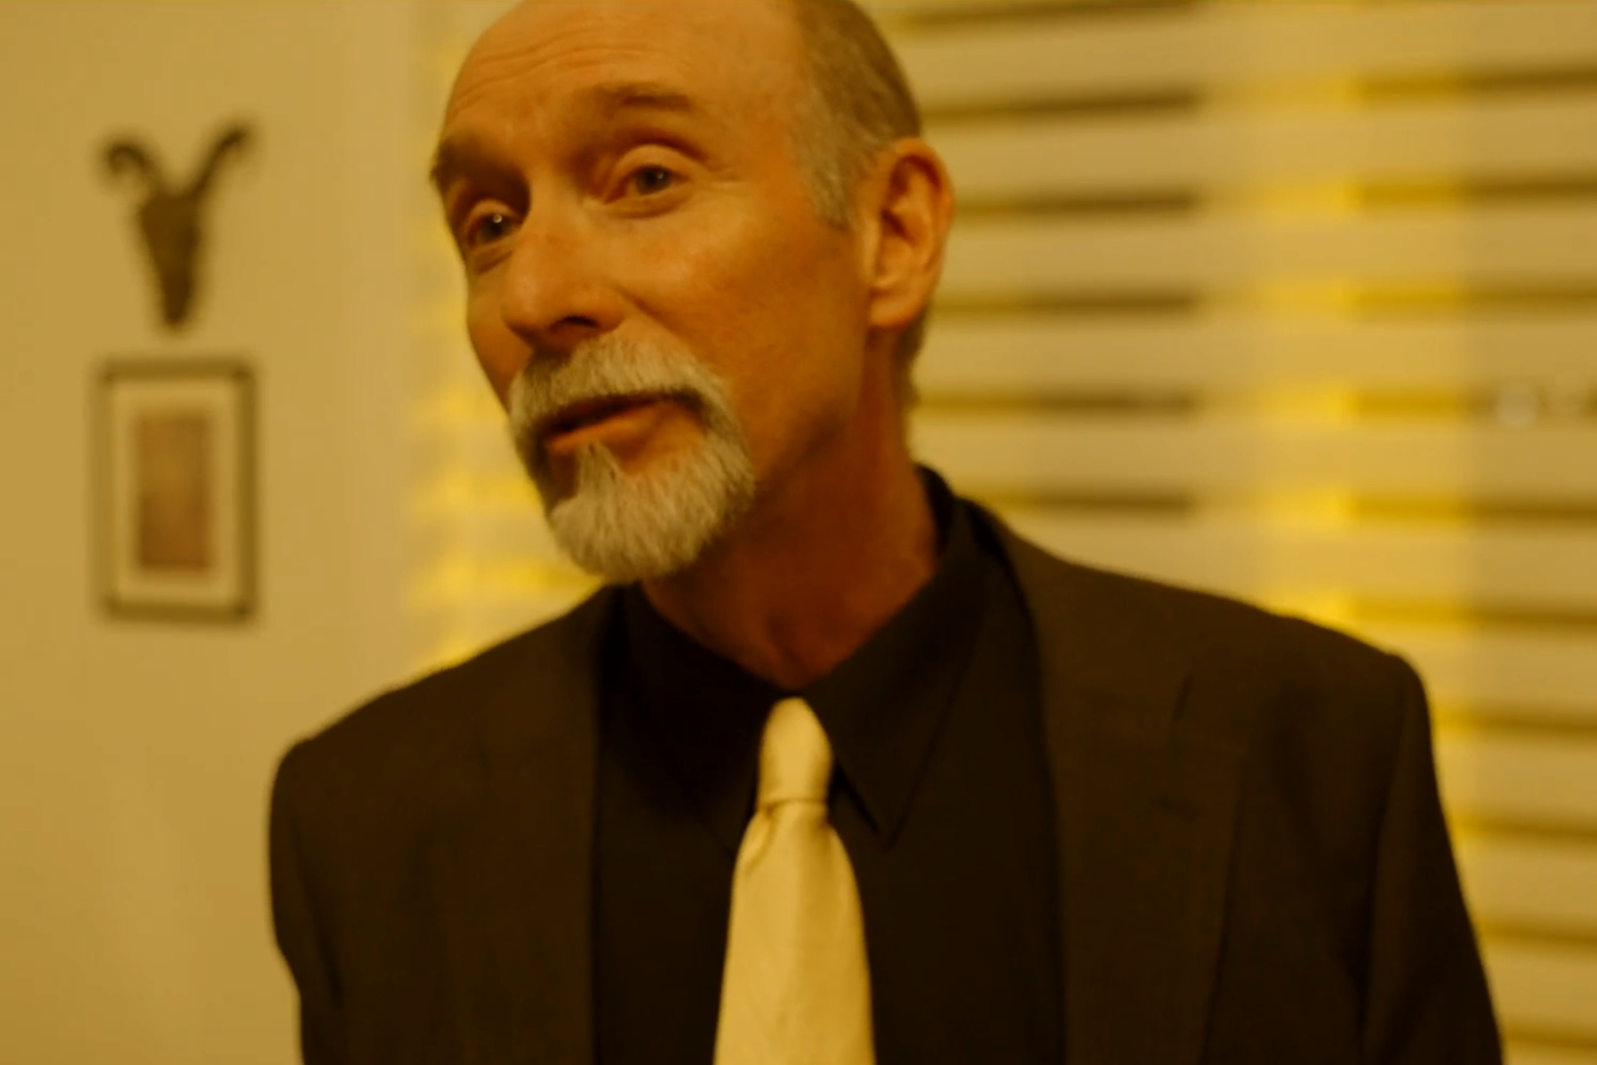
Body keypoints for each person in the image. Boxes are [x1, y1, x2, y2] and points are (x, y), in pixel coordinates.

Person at [268, 0, 1502, 1062]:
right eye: (487, 223)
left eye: (644, 178)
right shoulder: (369, 827)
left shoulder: (1314, 756)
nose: (532, 296)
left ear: (893, 236)